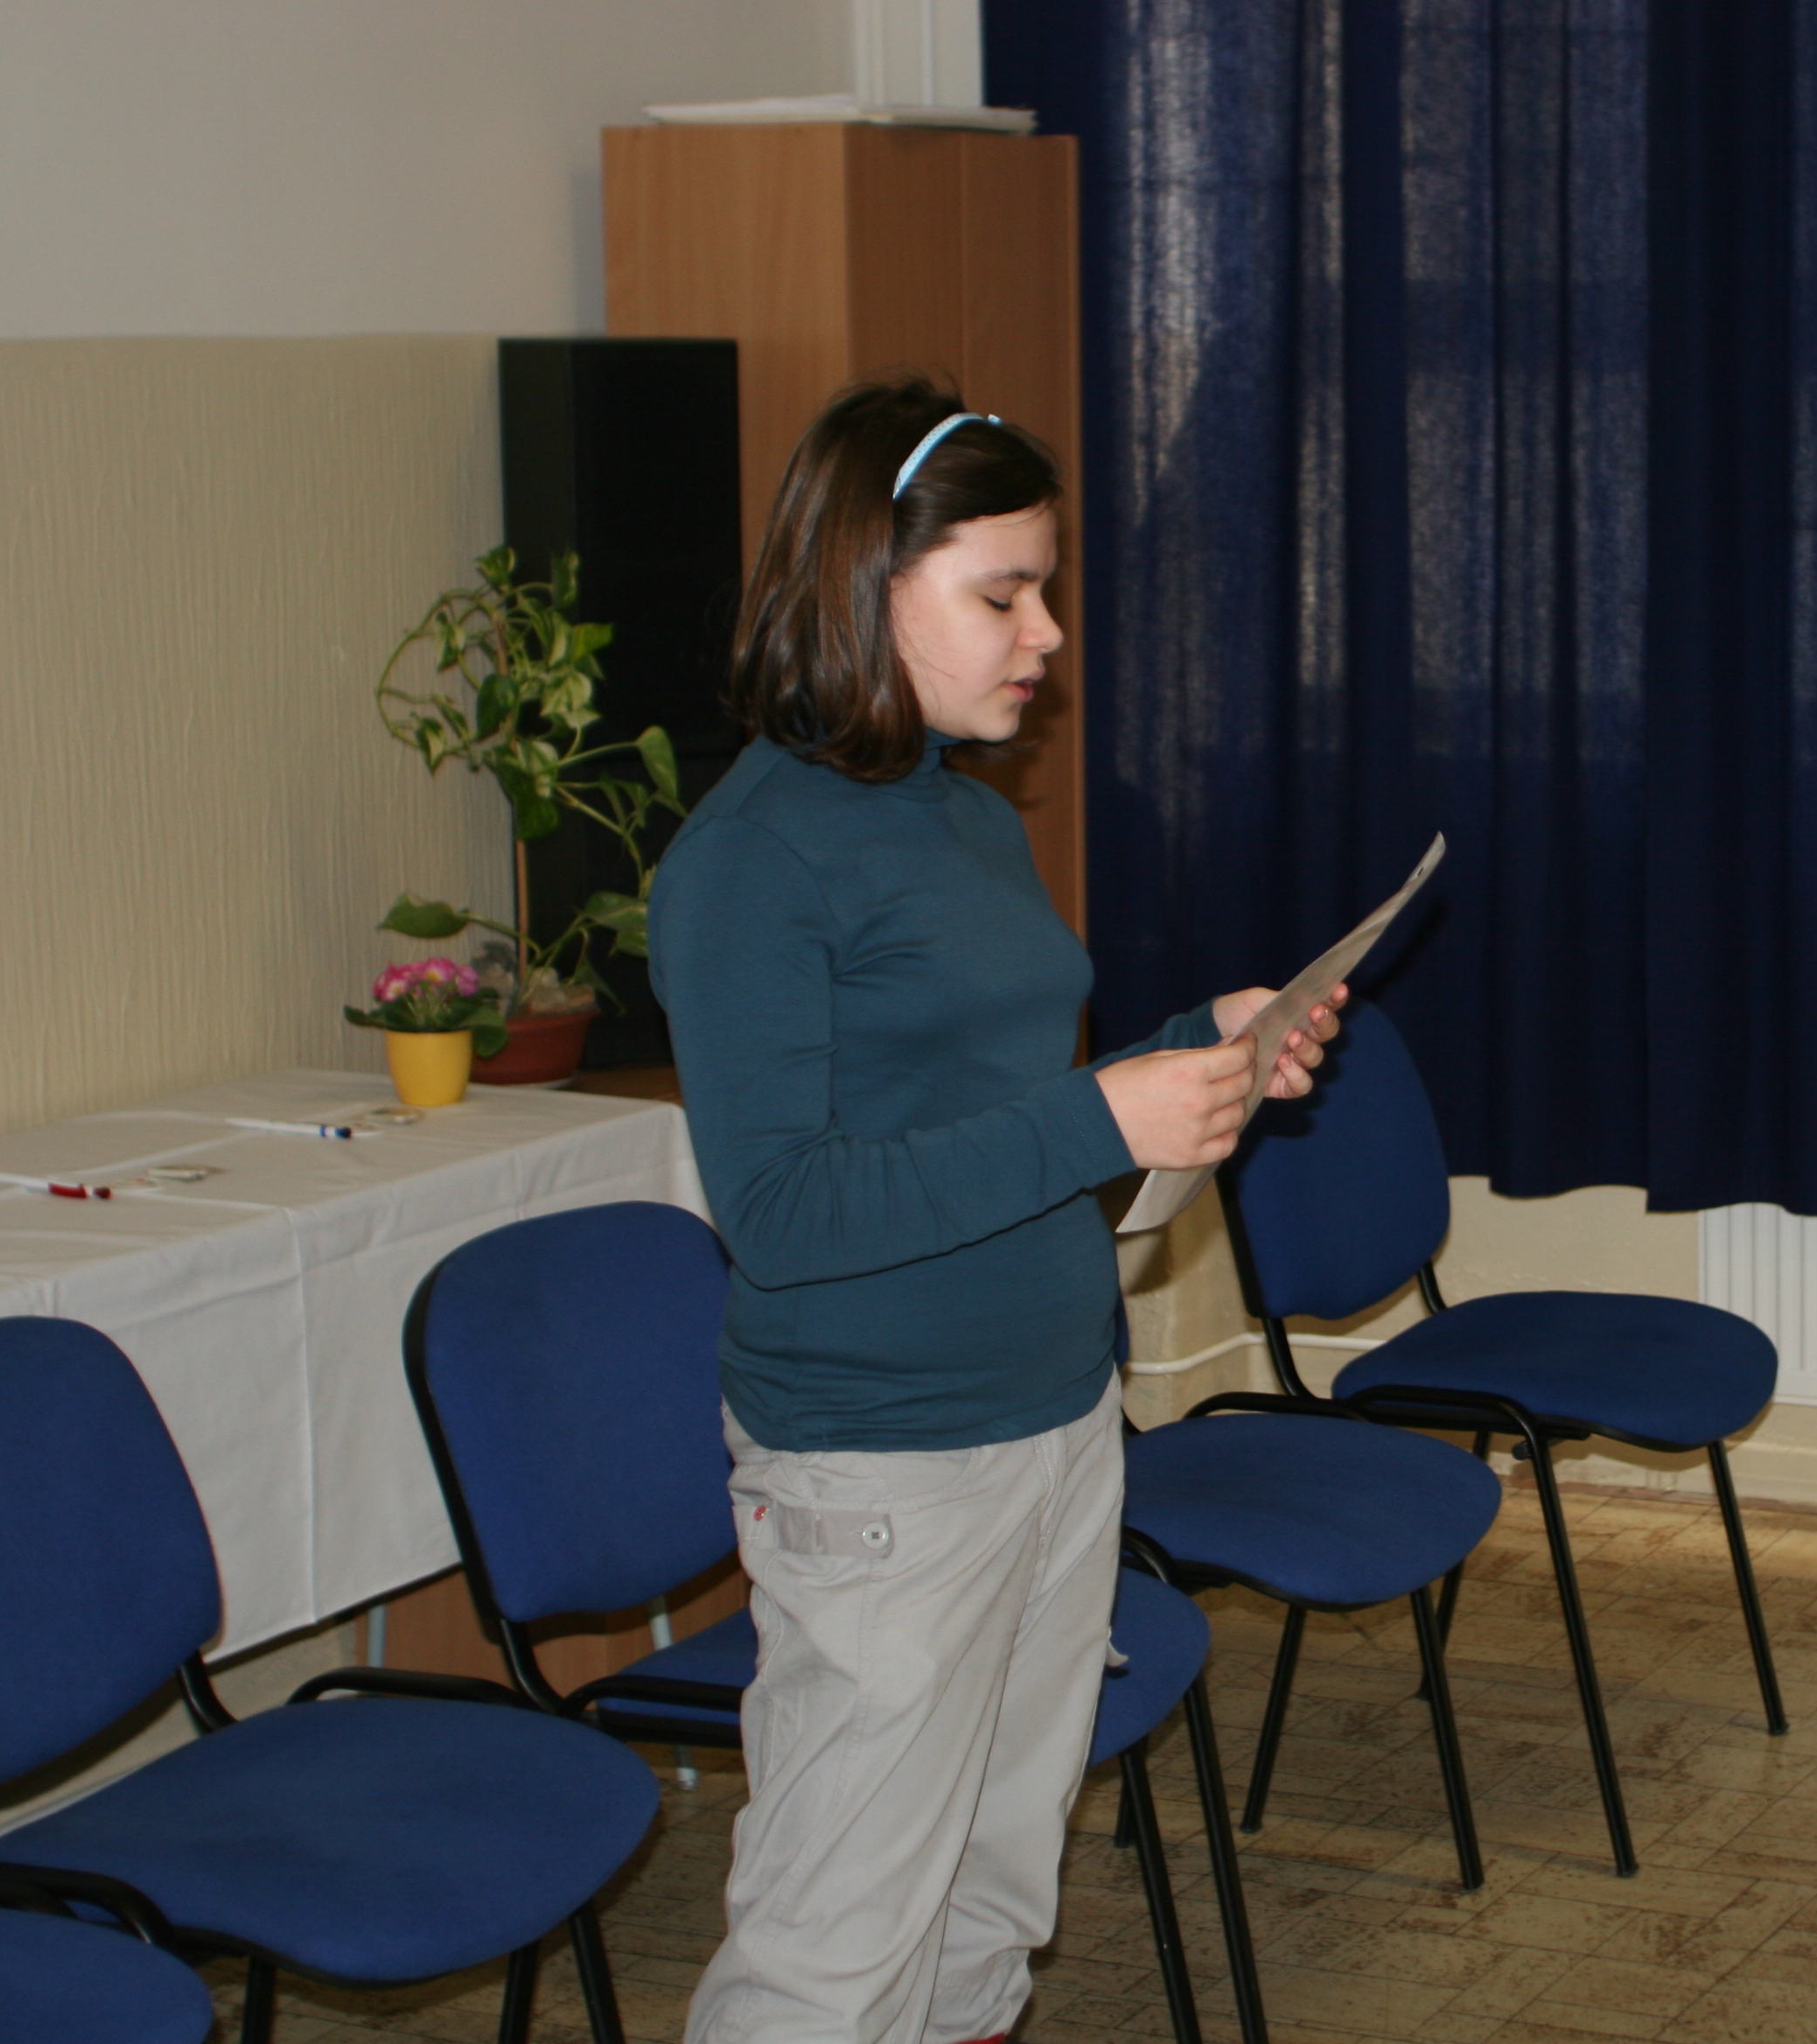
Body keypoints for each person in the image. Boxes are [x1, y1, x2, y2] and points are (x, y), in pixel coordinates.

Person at [648, 375, 1340, 2044]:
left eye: (1046, 591)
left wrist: (1195, 1048)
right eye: (1002, 595)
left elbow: (995, 1106)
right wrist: (1100, 1114)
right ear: (863, 587)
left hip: (1052, 1422)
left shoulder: (963, 812)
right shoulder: (751, 862)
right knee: (834, 1953)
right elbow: (784, 1209)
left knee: (984, 1912)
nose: (1046, 636)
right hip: (887, 1470)